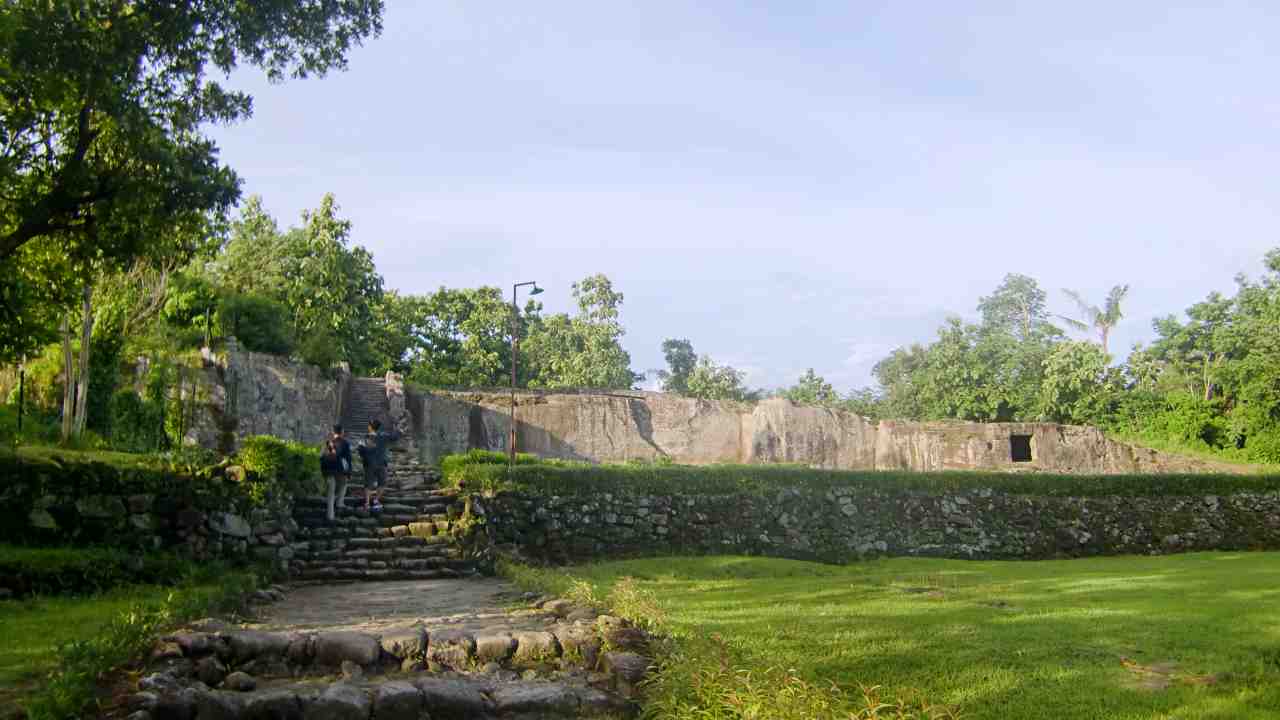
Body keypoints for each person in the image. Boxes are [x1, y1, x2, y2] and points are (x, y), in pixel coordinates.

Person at [357, 419, 400, 512]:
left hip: (369, 464)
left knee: (368, 484)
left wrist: (365, 457)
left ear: (370, 427)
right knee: (382, 483)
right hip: (381, 463)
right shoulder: (384, 436)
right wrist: (397, 429)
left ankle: (367, 503)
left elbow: (360, 450)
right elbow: (394, 437)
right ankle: (376, 499)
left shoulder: (365, 438)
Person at [329, 424, 352, 520]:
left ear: (333, 432)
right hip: (341, 470)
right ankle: (339, 503)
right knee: (343, 485)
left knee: (330, 493)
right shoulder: (345, 443)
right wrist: (349, 472)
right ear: (342, 432)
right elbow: (348, 459)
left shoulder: (329, 442)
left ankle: (330, 516)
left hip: (330, 470)